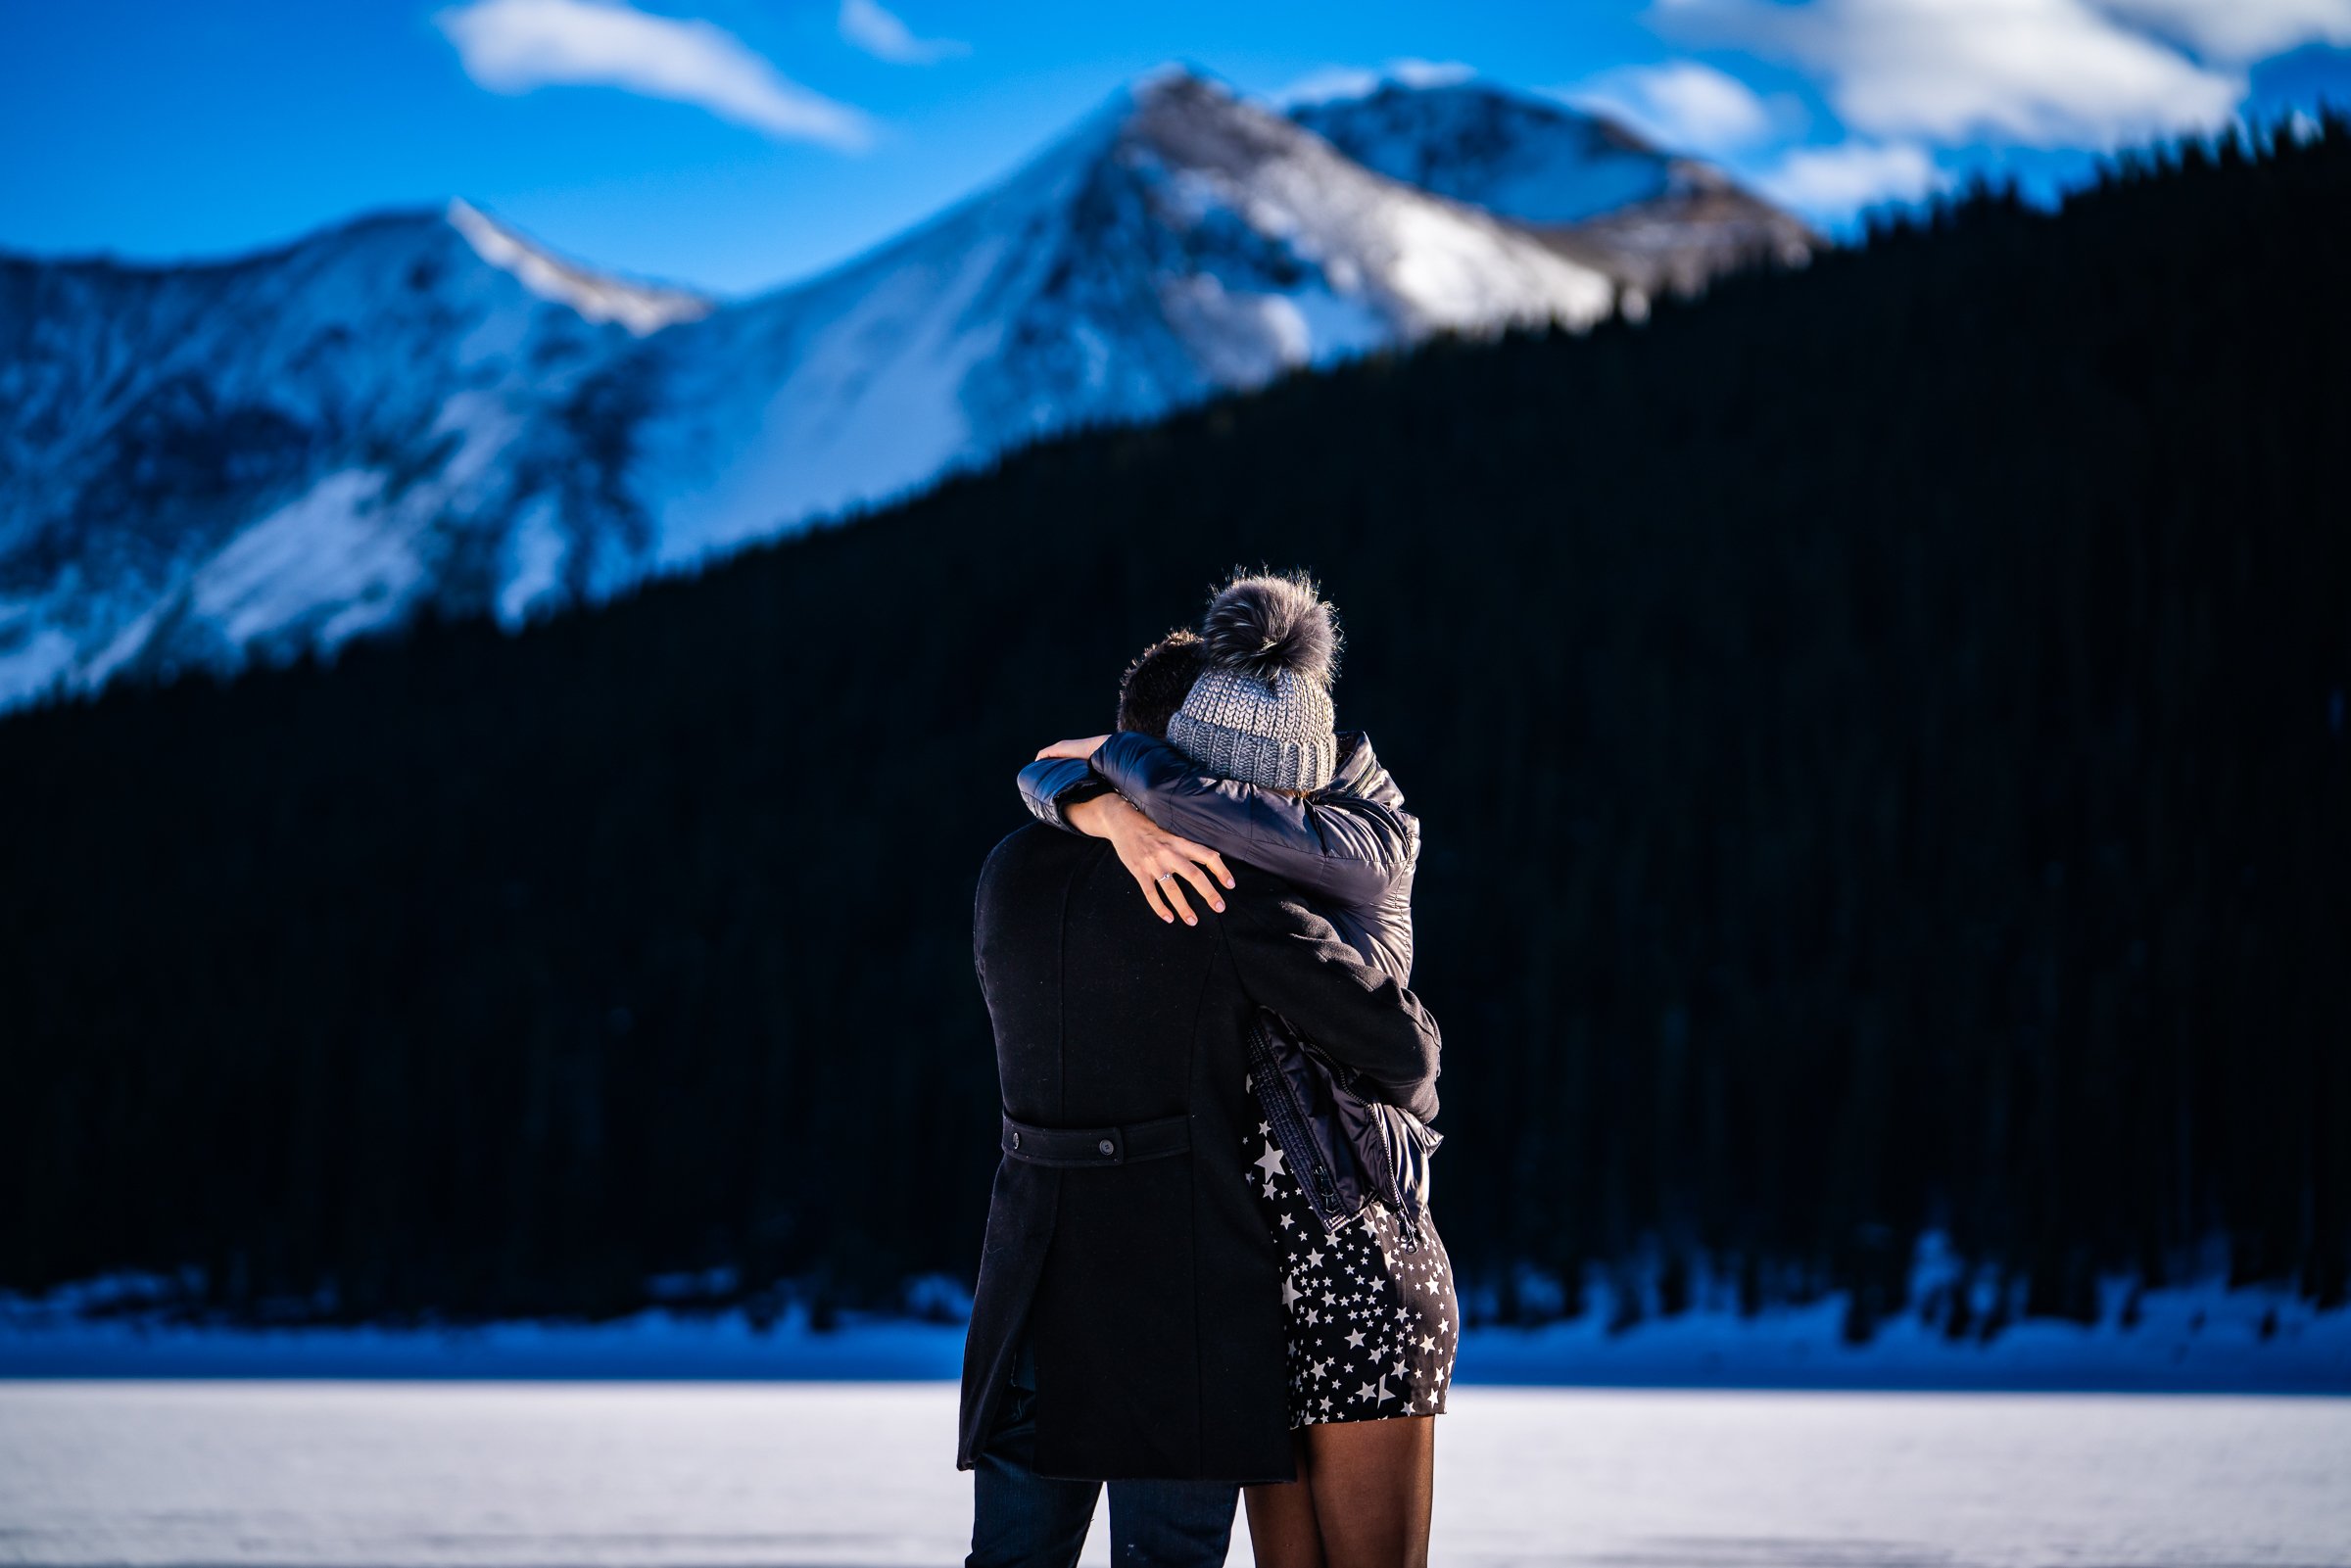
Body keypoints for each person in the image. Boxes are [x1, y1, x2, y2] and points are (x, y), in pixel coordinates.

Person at [960, 589, 1445, 1568]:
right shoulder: (1222, 887)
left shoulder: (1011, 871)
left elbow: (1055, 763)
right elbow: (1404, 1054)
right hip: (1207, 1295)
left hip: (1071, 1270)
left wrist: (1094, 800)